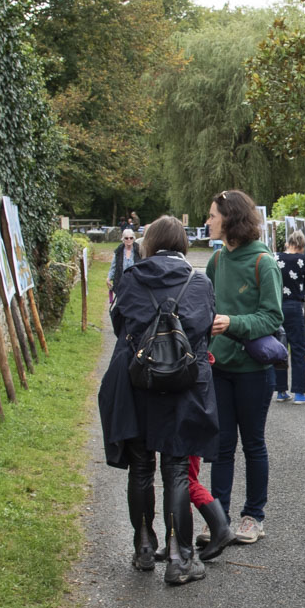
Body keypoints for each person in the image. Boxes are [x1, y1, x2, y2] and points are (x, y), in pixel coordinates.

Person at [95, 217, 217, 586]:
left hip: (137, 383)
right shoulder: (199, 283)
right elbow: (204, 334)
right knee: (177, 469)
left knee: (141, 468)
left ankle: (143, 547)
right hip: (182, 386)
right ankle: (180, 559)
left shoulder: (131, 278)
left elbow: (121, 327)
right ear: (182, 245)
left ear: (148, 244)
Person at [205, 190, 283, 543]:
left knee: (253, 444)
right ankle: (217, 518)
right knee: (221, 445)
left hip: (253, 371)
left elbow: (272, 317)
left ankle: (254, 516)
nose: (207, 222)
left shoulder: (263, 262)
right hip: (218, 368)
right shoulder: (216, 261)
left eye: (212, 216)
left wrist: (232, 323)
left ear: (230, 218)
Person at [274, 227, 305, 404]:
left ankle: (281, 390)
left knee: (280, 348)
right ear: (301, 245)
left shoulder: (275, 257)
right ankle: (299, 393)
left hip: (277, 305)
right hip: (294, 306)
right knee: (298, 348)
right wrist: (303, 297)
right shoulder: (302, 259)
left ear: (289, 243)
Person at [109, 228, 138, 306]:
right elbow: (113, 266)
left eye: (131, 238)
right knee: (121, 305)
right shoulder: (119, 251)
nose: (129, 240)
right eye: (126, 238)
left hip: (135, 284)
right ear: (123, 239)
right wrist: (109, 278)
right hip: (121, 283)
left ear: (134, 239)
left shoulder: (139, 250)